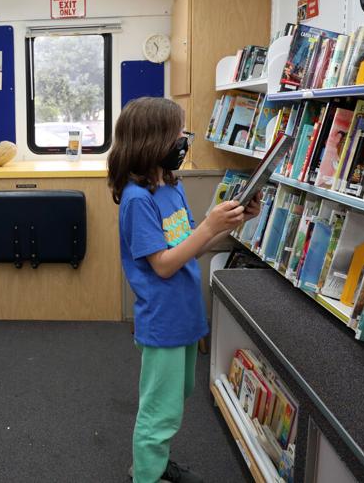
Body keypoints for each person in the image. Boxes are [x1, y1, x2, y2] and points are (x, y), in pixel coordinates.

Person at [108, 97, 260, 483]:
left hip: (186, 314)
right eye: (178, 133)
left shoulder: (170, 188)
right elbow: (163, 264)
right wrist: (209, 227)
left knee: (174, 400)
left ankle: (154, 462)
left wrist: (230, 222)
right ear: (152, 140)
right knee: (159, 410)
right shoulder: (137, 199)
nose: (183, 140)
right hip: (164, 320)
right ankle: (145, 476)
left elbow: (193, 245)